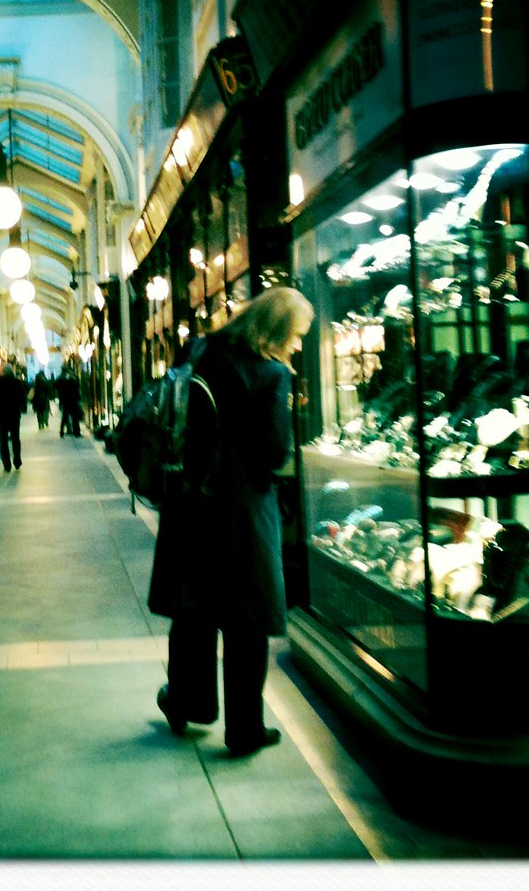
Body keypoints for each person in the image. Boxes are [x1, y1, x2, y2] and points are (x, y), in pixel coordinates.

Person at [149, 286, 314, 757]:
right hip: (242, 510)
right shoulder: (271, 373)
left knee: (193, 611)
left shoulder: (199, 349)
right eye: (297, 335)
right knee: (246, 620)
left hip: (191, 503)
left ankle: (187, 703)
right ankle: (244, 729)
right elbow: (274, 452)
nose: (298, 345)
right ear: (279, 331)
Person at [0, 362, 27, 472]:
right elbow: (22, 397)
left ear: (2, 372)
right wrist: (22, 407)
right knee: (15, 438)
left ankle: (6, 464)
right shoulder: (16, 383)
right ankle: (17, 460)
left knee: (3, 440)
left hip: (1, 415)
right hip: (14, 414)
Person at [56, 365, 82, 437]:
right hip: (71, 402)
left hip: (68, 402)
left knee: (67, 417)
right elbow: (75, 391)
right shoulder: (69, 380)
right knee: (73, 417)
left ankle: (64, 431)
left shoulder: (67, 380)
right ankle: (75, 432)